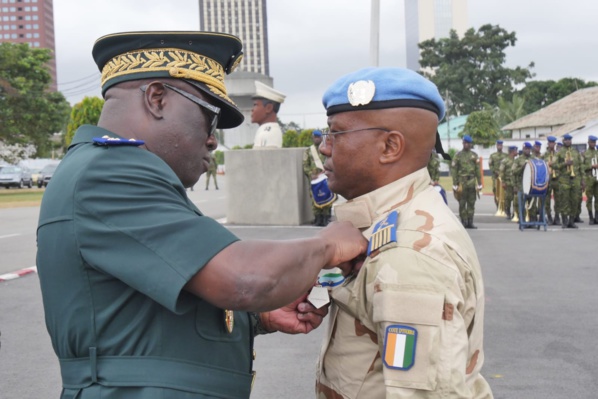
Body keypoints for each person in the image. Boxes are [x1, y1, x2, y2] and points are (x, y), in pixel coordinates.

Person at [35, 31, 368, 399]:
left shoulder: (120, 172)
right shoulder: (109, 173)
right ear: (157, 98)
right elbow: (244, 279)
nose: (212, 140)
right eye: (208, 118)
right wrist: (326, 243)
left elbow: (142, 313)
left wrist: (256, 317)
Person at [315, 67, 492, 398]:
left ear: (389, 147)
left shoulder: (410, 254)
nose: (325, 148)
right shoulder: (390, 221)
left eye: (336, 134)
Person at [303, 129, 335, 226]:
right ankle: (318, 219)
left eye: (318, 137)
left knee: (326, 196)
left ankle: (326, 218)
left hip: (325, 177)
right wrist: (311, 175)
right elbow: (305, 165)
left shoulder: (326, 149)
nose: (316, 139)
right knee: (315, 198)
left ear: (321, 138)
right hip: (314, 180)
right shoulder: (309, 151)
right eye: (314, 137)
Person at [451, 134, 482, 228]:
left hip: (472, 182)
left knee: (471, 202)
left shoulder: (474, 155)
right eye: (465, 143)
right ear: (463, 143)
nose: (466, 145)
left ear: (470, 144)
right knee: (462, 202)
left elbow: (477, 170)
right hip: (462, 182)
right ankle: (463, 221)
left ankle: (470, 221)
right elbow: (454, 170)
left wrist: (480, 183)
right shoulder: (458, 155)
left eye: (468, 143)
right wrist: (455, 183)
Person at [554, 134, 583, 228]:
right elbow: (553, 165)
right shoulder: (559, 152)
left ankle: (571, 220)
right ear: (563, 141)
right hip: (564, 180)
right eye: (566, 140)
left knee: (575, 201)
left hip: (575, 180)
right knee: (564, 201)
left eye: (569, 140)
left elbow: (581, 167)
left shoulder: (575, 152)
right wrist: (564, 163)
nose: (568, 141)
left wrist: (582, 180)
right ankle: (564, 221)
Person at [251, 81, 286, 148]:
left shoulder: (267, 133)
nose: (252, 109)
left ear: (268, 108)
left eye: (255, 105)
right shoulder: (266, 131)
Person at [512, 142, 537, 224]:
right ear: (523, 149)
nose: (527, 150)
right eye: (526, 149)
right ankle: (522, 219)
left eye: (529, 149)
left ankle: (532, 220)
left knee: (532, 203)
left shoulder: (533, 158)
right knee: (522, 203)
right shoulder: (518, 160)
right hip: (521, 184)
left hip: (531, 184)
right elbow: (514, 172)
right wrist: (522, 168)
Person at [542, 136, 560, 225]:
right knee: (547, 200)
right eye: (550, 143)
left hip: (557, 179)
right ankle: (549, 217)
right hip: (548, 180)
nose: (551, 144)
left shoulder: (558, 155)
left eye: (553, 143)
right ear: (548, 144)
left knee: (558, 200)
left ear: (555, 144)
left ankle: (557, 218)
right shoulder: (544, 155)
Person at [582, 135, 598, 224]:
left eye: (595, 142)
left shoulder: (597, 153)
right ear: (588, 142)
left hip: (597, 178)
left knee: (597, 198)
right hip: (588, 178)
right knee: (589, 199)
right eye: (592, 142)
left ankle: (597, 217)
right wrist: (591, 166)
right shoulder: (584, 154)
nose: (593, 144)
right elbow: (581, 167)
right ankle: (591, 217)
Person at [499, 145, 518, 219]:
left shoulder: (516, 160)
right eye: (516, 151)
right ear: (512, 152)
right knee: (508, 198)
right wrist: (503, 182)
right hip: (508, 182)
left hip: (515, 182)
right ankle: (508, 212)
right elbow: (501, 171)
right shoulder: (505, 161)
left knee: (515, 198)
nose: (516, 152)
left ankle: (515, 213)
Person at [488, 139, 507, 209]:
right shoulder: (493, 155)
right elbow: (490, 165)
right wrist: (494, 171)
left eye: (501, 145)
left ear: (502, 146)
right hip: (495, 177)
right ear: (496, 146)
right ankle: (497, 206)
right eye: (498, 145)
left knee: (504, 191)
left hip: (503, 177)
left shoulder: (506, 155)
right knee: (495, 190)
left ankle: (504, 207)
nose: (499, 146)